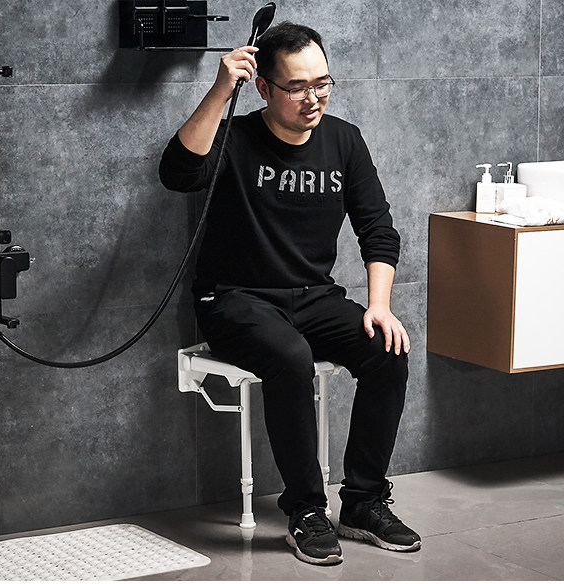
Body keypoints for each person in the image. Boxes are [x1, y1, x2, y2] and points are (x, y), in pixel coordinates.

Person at [159, 22, 420, 565]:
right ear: (263, 87)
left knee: (387, 351)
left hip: (313, 297)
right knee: (290, 356)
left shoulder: (344, 140)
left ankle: (363, 502)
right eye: (298, 87)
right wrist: (220, 90)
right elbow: (178, 174)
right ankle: (305, 510)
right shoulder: (235, 136)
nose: (313, 98)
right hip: (234, 299)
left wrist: (379, 305)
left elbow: (378, 229)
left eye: (322, 84)